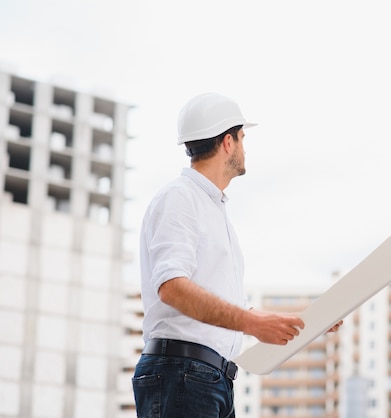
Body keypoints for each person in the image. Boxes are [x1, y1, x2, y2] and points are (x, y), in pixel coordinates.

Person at [132, 93, 340, 417]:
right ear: (228, 142)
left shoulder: (210, 209)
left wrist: (305, 321)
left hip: (207, 379)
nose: (244, 147)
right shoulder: (180, 198)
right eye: (242, 138)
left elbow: (222, 306)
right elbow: (171, 286)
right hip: (183, 374)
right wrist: (251, 322)